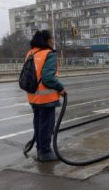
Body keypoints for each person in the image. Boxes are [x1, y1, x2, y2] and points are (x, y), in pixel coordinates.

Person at [26, 30, 66, 162]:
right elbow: (48, 78)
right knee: (46, 126)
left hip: (33, 96)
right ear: (47, 40)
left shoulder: (31, 53)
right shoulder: (48, 54)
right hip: (46, 98)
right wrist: (60, 88)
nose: (53, 41)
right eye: (52, 39)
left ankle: (40, 150)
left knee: (38, 124)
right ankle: (45, 152)